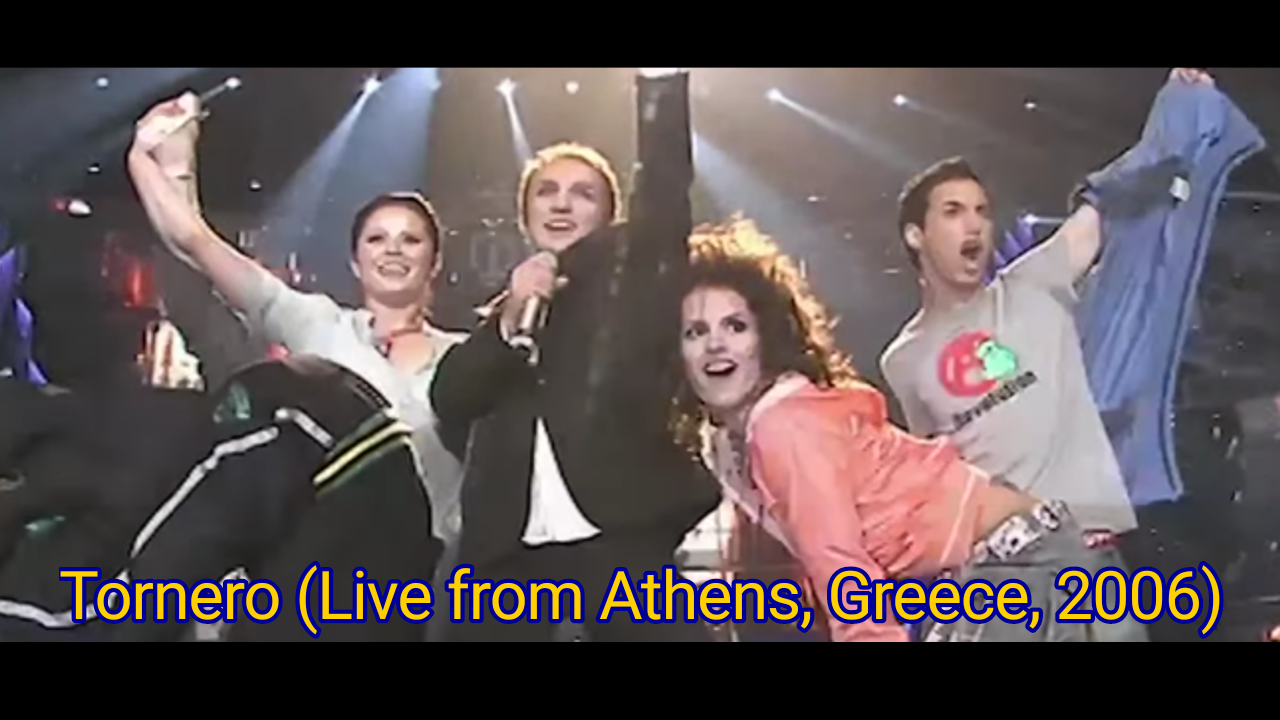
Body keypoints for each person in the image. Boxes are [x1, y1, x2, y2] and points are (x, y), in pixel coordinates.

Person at [874, 69, 1220, 642]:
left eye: (982, 211)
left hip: (1093, 565)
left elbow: (1106, 203)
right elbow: (938, 477)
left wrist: (1177, 113)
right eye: (954, 211)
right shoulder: (903, 361)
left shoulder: (1033, 284)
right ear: (916, 235)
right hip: (1001, 584)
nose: (975, 224)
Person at [676, 217, 1130, 641]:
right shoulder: (734, 442)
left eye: (735, 326)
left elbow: (845, 578)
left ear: (766, 337)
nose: (716, 344)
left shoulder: (782, 425)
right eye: (695, 331)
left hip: (1021, 564)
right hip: (1017, 564)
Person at [431, 69, 720, 641]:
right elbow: (450, 397)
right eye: (546, 191)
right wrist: (509, 319)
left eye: (583, 194)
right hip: (505, 562)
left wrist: (660, 85)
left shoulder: (632, 287)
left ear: (609, 217)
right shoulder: (510, 313)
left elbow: (663, 187)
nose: (561, 204)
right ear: (524, 215)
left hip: (620, 546)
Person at [126, 93, 466, 560]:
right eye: (377, 238)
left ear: (435, 261)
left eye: (411, 239)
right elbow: (194, 241)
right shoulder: (318, 325)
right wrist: (158, 160)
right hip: (323, 571)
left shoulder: (466, 357)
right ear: (355, 260)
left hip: (436, 578)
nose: (393, 250)